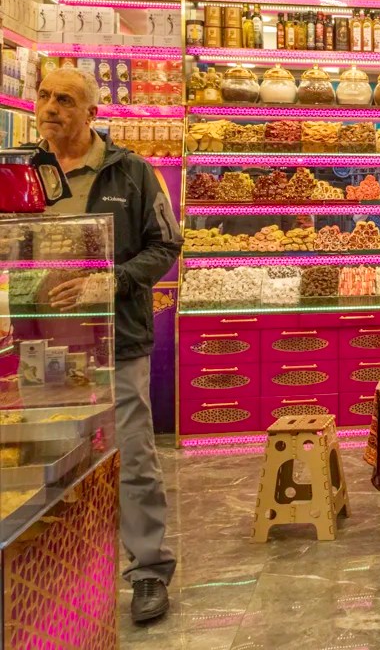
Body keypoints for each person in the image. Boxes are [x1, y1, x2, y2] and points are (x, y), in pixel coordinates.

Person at [32, 67, 182, 625]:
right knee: (47, 456)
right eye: (44, 96)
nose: (51, 107)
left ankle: (147, 570)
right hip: (39, 344)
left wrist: (112, 280)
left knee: (134, 456)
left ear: (93, 112)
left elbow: (165, 244)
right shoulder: (26, 171)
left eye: (66, 100)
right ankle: (50, 572)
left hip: (117, 339)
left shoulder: (132, 172)